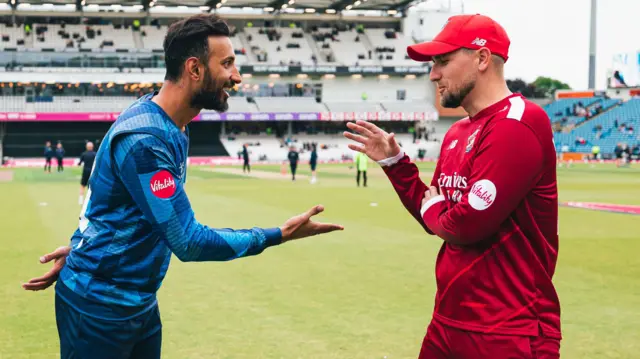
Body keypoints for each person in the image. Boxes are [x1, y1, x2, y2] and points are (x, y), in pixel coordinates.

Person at [22, 15, 344, 359]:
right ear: (194, 69)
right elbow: (188, 241)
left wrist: (82, 248)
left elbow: (114, 202)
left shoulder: (171, 124)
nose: (236, 76)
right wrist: (277, 234)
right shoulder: (146, 139)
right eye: (228, 63)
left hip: (136, 301)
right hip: (100, 307)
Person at [344, 14, 560, 359]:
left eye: (442, 61)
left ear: (482, 58)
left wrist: (439, 210)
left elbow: (464, 224)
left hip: (508, 330)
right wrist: (395, 164)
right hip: (448, 322)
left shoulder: (518, 123)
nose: (433, 75)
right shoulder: (458, 132)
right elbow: (436, 219)